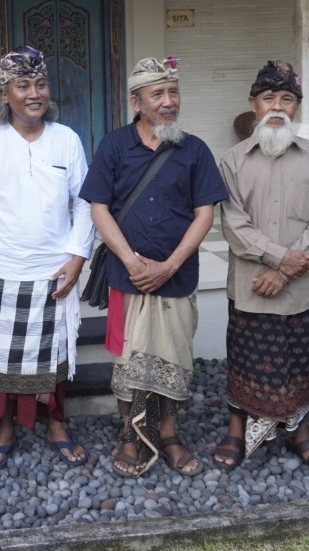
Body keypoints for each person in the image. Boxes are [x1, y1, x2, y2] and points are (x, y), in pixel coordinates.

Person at [79, 57, 228, 478]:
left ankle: (167, 434)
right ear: (136, 102)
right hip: (126, 278)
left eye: (173, 92)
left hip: (177, 277)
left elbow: (204, 214)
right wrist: (130, 260)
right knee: (130, 361)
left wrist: (170, 265)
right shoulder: (114, 145)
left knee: (174, 358)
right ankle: (130, 434)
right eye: (157, 94)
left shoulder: (194, 149)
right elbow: (99, 208)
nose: (168, 102)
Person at [0, 46, 95, 472]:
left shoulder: (67, 138)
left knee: (53, 359)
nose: (34, 93)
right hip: (1, 270)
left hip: (53, 272)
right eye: (22, 86)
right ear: (5, 94)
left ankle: (56, 423)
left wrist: (77, 259)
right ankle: (4, 429)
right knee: (0, 361)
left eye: (40, 84)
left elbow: (85, 204)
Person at [213, 60, 309, 473]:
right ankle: (236, 429)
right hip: (251, 288)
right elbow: (233, 223)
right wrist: (278, 258)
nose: (278, 106)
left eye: (287, 98)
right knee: (245, 360)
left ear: (297, 106)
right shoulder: (232, 160)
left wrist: (285, 270)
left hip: (301, 288)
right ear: (254, 104)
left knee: (300, 363)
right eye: (269, 98)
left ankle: (299, 433)